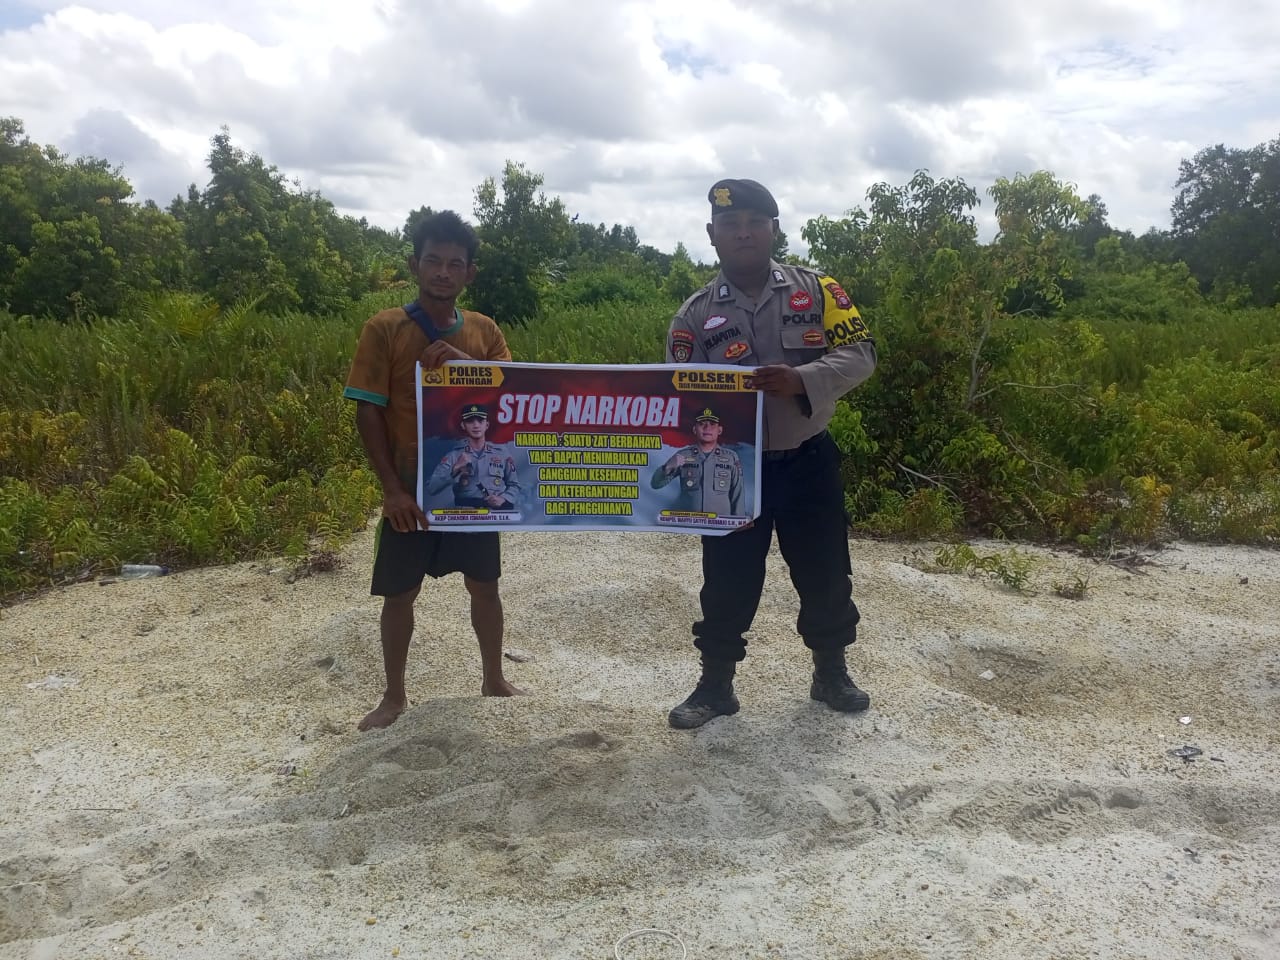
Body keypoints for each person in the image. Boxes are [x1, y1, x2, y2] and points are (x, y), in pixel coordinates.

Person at [663, 178, 878, 729]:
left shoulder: (819, 290)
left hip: (808, 460)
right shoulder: (693, 315)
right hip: (735, 470)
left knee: (826, 572)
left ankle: (831, 671)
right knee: (727, 580)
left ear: (774, 230)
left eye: (754, 223)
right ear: (712, 235)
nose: (743, 233)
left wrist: (802, 379)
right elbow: (677, 393)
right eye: (730, 225)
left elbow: (861, 355)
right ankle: (715, 686)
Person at [343, 210, 521, 731]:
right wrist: (392, 490)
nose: (443, 272)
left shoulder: (485, 331)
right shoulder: (385, 328)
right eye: (433, 261)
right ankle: (394, 695)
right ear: (413, 265)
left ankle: (493, 677)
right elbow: (366, 410)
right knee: (400, 594)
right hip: (413, 488)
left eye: (455, 264)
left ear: (470, 274)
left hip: (474, 491)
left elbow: (512, 395)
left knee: (484, 585)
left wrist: (467, 369)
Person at [650, 406, 744, 516]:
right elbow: (655, 484)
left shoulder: (731, 457)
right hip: (689, 524)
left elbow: (738, 493)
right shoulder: (683, 455)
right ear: (694, 429)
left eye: (712, 424)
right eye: (702, 423)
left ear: (719, 430)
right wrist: (667, 467)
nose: (707, 427)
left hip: (721, 525)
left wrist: (738, 522)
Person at [427, 404, 521, 510]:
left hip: (495, 516)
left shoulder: (502, 453)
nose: (476, 425)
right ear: (463, 425)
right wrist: (455, 470)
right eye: (470, 421)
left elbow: (514, 485)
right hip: (465, 517)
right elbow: (432, 488)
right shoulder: (454, 455)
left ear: (487, 425)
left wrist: (504, 498)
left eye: (480, 421)